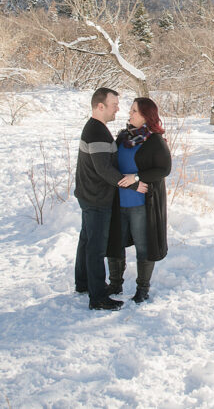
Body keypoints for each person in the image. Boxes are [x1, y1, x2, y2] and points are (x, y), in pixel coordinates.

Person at [74, 87, 141, 311]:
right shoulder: (96, 132)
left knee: (86, 240)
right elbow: (104, 169)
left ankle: (83, 283)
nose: (118, 109)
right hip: (96, 197)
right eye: (114, 105)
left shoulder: (96, 128)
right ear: (100, 106)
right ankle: (98, 297)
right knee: (95, 247)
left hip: (89, 194)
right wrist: (134, 183)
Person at [105, 96, 170, 303]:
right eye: (131, 110)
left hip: (141, 204)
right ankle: (115, 283)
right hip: (119, 201)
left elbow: (164, 169)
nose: (130, 114)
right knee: (115, 243)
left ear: (145, 116)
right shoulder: (123, 137)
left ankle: (143, 288)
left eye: (134, 111)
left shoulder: (155, 140)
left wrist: (138, 177)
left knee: (144, 246)